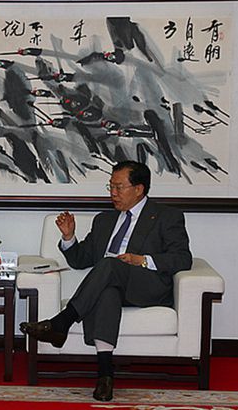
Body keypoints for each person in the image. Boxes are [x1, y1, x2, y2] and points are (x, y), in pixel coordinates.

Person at [19, 160, 191, 401]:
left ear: (139, 189)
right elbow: (81, 260)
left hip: (147, 286)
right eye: (111, 186)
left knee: (110, 264)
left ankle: (62, 322)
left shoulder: (166, 216)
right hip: (112, 283)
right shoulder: (104, 220)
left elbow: (182, 258)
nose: (113, 193)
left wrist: (142, 260)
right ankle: (105, 375)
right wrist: (69, 238)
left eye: (119, 187)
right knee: (107, 290)